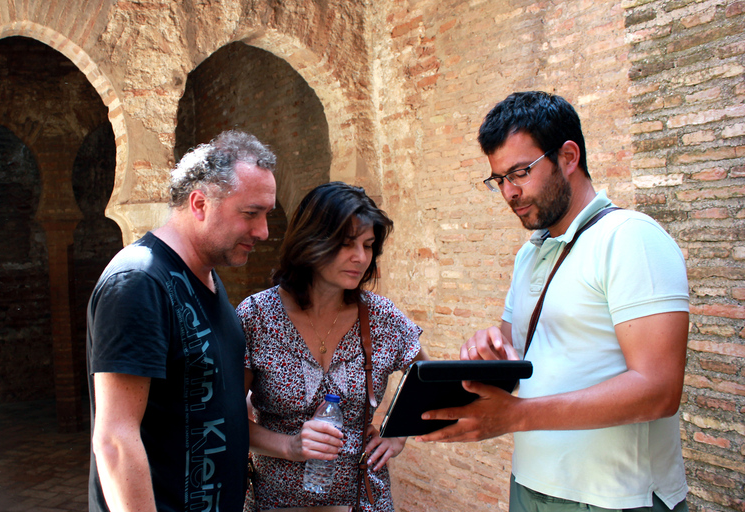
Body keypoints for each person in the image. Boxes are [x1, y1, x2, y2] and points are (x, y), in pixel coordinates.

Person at [419, 92, 689, 512]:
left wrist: (516, 416)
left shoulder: (630, 237)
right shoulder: (530, 252)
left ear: (568, 156)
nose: (509, 192)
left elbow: (659, 390)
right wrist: (486, 351)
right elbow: (514, 363)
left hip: (616, 496)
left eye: (520, 172)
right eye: (499, 179)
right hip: (530, 484)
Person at [86, 130, 277, 512]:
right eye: (251, 214)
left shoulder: (206, 278)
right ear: (200, 203)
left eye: (266, 215)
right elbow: (115, 439)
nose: (263, 232)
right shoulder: (140, 282)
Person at [237, 182, 428, 511]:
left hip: (362, 500)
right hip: (276, 503)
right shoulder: (257, 316)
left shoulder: (382, 318)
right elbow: (228, 420)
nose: (360, 257)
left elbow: (431, 381)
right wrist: (291, 446)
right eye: (346, 243)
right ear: (310, 241)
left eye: (368, 246)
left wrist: (397, 435)